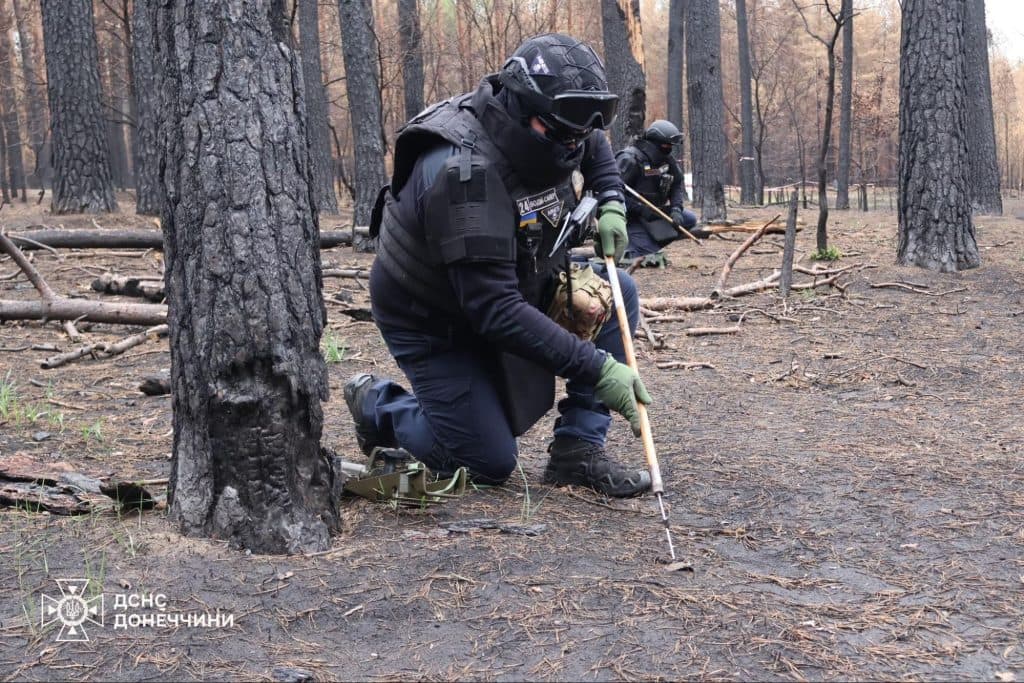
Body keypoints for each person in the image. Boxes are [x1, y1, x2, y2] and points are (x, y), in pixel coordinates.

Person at [345, 33, 653, 498]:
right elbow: (496, 311)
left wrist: (610, 198)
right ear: (522, 107)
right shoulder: (464, 175)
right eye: (564, 133)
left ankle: (577, 450)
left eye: (579, 132)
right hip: (433, 317)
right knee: (486, 461)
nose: (574, 145)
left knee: (617, 292)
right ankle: (378, 405)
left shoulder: (551, 124)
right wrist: (599, 368)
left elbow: (590, 142)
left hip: (506, 280)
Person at [616, 120, 705, 267]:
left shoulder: (666, 160)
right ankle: (634, 247)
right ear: (655, 142)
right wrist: (641, 209)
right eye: (666, 145)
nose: (669, 149)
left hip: (653, 212)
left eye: (671, 146)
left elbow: (676, 184)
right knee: (646, 256)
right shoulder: (630, 159)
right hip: (630, 218)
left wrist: (676, 208)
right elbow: (613, 193)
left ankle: (648, 243)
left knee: (688, 219)